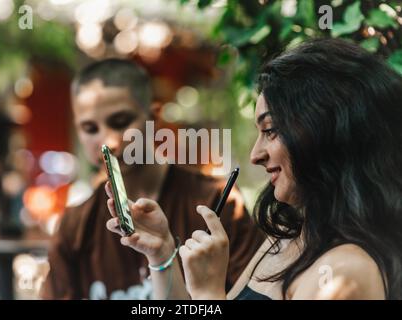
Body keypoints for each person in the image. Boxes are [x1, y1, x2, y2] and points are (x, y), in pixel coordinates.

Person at [105, 39, 402, 300]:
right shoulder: (288, 238)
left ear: (328, 133)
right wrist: (162, 255)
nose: (255, 155)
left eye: (270, 130)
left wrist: (209, 294)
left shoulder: (345, 274)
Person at [42, 58, 265, 299]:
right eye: (90, 129)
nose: (109, 142)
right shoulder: (75, 225)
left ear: (153, 117)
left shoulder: (214, 203)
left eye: (120, 122)